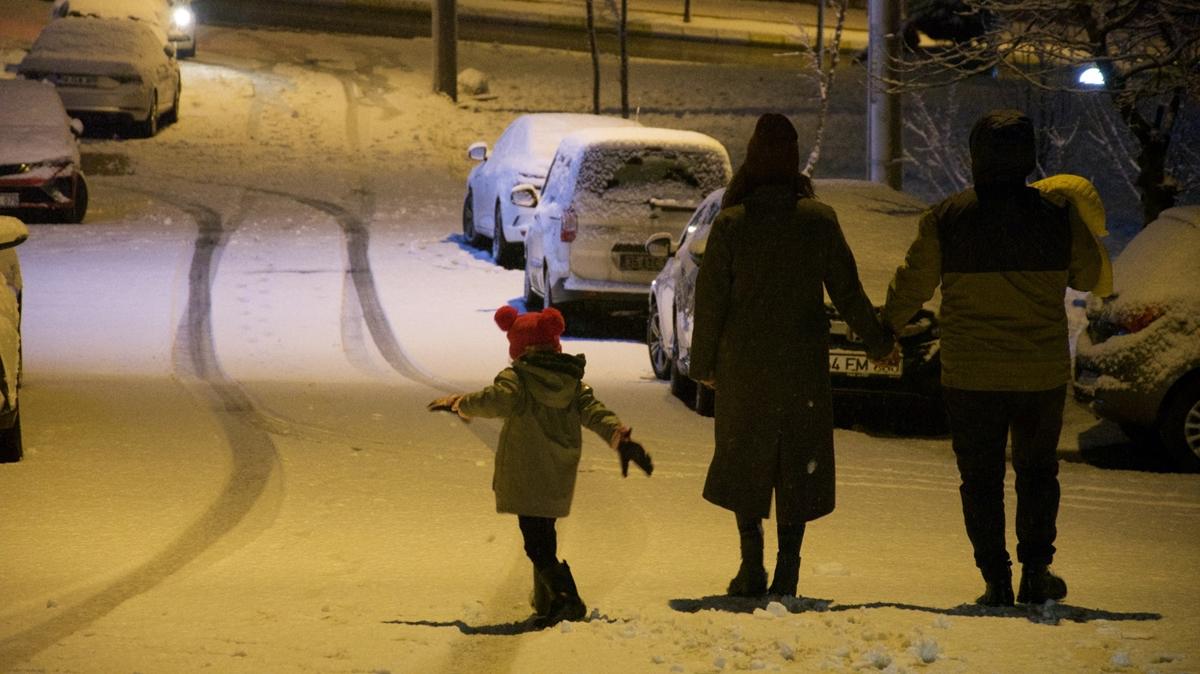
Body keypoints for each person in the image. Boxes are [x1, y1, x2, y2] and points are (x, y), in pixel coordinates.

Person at [881, 109, 1103, 607]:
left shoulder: (948, 217)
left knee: (980, 479)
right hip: (1039, 374)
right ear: (1027, 157)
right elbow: (1087, 276)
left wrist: (884, 330)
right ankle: (1036, 573)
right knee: (1037, 474)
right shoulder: (1057, 214)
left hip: (971, 376)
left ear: (976, 156)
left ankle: (995, 580)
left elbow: (913, 284)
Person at [690, 113, 897, 599]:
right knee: (796, 464)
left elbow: (711, 302)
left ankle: (750, 568)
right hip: (802, 365)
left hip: (744, 366)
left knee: (747, 460)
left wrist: (704, 367)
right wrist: (879, 343)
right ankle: (788, 569)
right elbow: (848, 291)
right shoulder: (817, 221)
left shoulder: (732, 222)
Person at [427, 305, 653, 627]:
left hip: (526, 473)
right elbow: (595, 411)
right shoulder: (573, 384)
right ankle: (548, 601)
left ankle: (566, 598)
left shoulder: (517, 380)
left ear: (517, 348)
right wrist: (620, 438)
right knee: (544, 535)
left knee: (536, 545)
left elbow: (493, 399)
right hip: (557, 475)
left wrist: (460, 403)